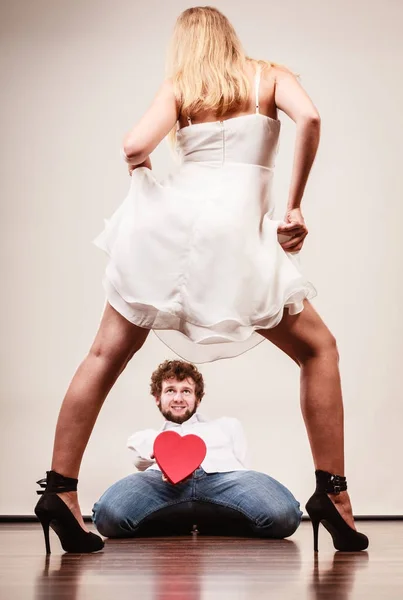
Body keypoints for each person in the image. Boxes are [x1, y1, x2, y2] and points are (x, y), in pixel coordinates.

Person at [34, 6, 368, 554]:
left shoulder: (182, 87)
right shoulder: (271, 75)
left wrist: (147, 186)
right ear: (231, 38)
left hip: (171, 233)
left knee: (102, 356)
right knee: (319, 350)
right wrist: (294, 207)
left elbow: (134, 146)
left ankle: (61, 491)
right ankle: (333, 494)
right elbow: (309, 119)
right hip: (235, 240)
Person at [91, 360, 302, 539]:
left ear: (198, 399)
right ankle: (180, 522)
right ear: (157, 397)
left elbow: (245, 469)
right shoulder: (145, 437)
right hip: (165, 487)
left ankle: (212, 521)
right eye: (170, 390)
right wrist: (166, 462)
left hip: (223, 482)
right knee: (106, 515)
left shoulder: (227, 425)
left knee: (285, 515)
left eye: (186, 391)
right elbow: (139, 461)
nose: (178, 398)